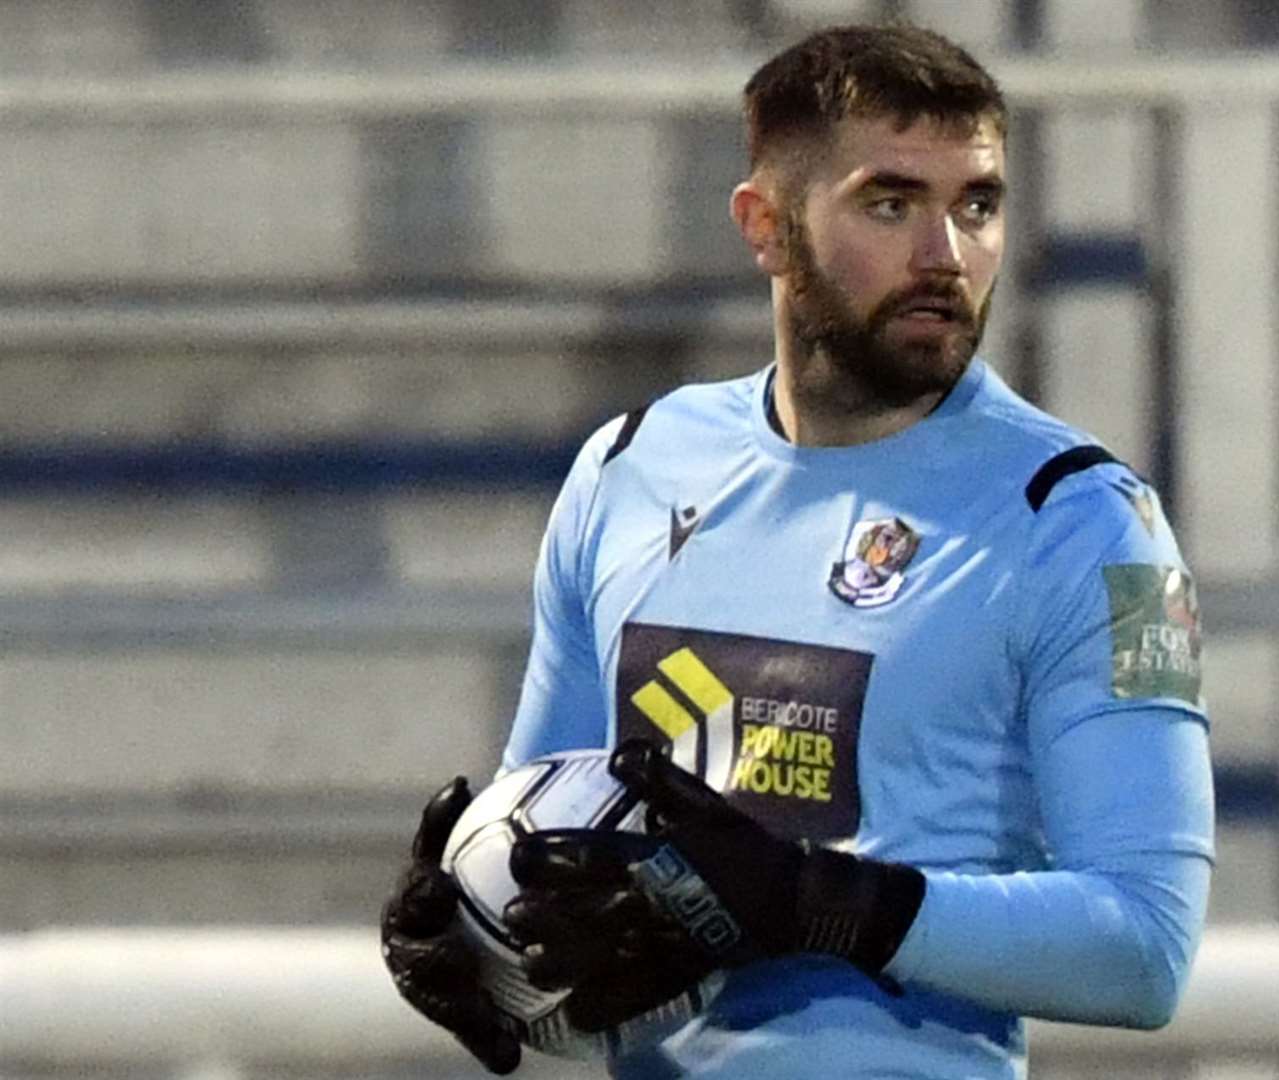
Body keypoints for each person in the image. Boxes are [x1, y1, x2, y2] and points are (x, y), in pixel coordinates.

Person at [381, 22, 1214, 1079]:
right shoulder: (631, 469)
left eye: (977, 206)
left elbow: (1144, 946)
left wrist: (813, 903)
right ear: (765, 225)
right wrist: (459, 937)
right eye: (889, 202)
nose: (944, 256)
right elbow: (548, 840)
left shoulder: (1086, 523)